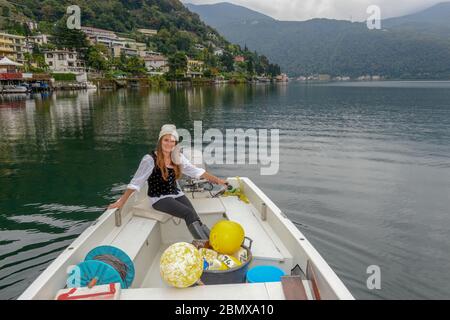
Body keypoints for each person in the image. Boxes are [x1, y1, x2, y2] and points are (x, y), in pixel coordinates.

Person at [108, 124, 228, 240]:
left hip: (176, 193)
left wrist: (218, 181)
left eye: (172, 141)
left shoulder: (178, 158)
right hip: (159, 198)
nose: (169, 144)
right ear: (160, 141)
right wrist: (121, 202)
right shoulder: (149, 159)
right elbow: (135, 183)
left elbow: (197, 172)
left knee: (194, 214)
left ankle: (211, 241)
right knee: (188, 213)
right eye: (166, 140)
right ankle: (205, 246)